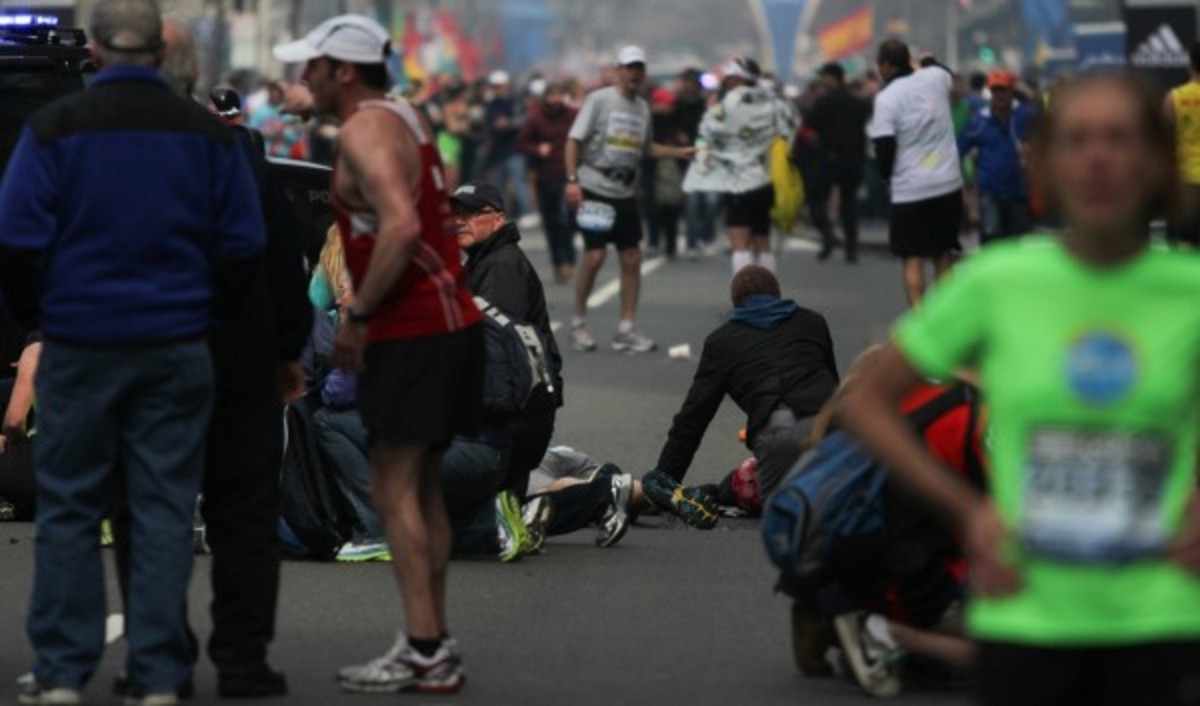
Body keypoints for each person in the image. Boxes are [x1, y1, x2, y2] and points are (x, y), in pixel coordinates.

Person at [838, 72, 1200, 706]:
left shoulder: (1189, 290)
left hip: (1159, 615)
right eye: (1077, 140)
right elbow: (866, 402)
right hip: (1025, 614)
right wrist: (967, 512)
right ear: (1047, 165)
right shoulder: (996, 282)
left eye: (1119, 139)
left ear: (1155, 163)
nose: (1098, 159)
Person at [0, 0, 266, 702]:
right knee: (163, 508)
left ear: (93, 49)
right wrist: (201, 317)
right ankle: (159, 672)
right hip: (175, 345)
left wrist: (41, 318)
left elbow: (17, 238)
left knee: (68, 508)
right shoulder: (206, 136)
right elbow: (243, 248)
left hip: (81, 342)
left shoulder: (54, 128)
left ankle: (60, 670)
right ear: (157, 51)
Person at [274, 13, 483, 694]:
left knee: (391, 488)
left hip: (411, 331)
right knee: (419, 490)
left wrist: (358, 316)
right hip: (451, 324)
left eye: (312, 65)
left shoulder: (365, 131)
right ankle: (434, 641)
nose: (303, 73)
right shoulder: (405, 116)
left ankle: (425, 646)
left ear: (342, 70)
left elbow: (398, 221)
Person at [110, 20, 312, 699]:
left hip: (140, 353)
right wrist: (288, 346)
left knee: (148, 511)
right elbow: (277, 255)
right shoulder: (237, 149)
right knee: (244, 514)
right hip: (239, 358)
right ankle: (243, 657)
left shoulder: (97, 142)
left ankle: (155, 657)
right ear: (193, 73)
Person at [643, 266, 839, 529]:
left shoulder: (722, 341)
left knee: (773, 506)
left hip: (781, 438)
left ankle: (719, 493)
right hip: (835, 429)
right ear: (778, 295)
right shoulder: (813, 322)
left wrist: (665, 485)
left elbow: (692, 420)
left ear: (735, 304)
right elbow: (834, 385)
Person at [565, 45, 694, 354]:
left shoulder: (642, 108)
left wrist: (678, 153)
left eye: (640, 68)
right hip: (595, 185)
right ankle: (579, 324)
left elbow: (646, 149)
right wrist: (572, 182)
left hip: (625, 192)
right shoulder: (599, 100)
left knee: (632, 258)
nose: (635, 73)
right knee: (595, 257)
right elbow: (574, 140)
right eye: (630, 67)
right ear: (619, 70)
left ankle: (626, 329)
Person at [868, 41, 964, 306]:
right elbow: (945, 70)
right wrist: (927, 61)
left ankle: (920, 323)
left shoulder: (887, 98)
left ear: (886, 65)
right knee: (943, 253)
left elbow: (883, 146)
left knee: (912, 257)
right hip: (947, 184)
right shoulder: (934, 78)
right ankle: (949, 316)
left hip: (910, 189)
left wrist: (887, 177)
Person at [684, 57, 798, 274]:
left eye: (728, 78)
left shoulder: (727, 105)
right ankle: (768, 293)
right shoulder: (771, 102)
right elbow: (788, 133)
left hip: (739, 179)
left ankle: (745, 294)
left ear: (736, 78)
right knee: (762, 239)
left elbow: (708, 133)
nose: (725, 82)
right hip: (767, 178)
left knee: (740, 242)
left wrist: (711, 111)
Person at [958, 70, 1034, 244]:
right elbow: (959, 149)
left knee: (1017, 241)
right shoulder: (979, 121)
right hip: (990, 191)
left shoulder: (1025, 115)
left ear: (1011, 91)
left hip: (1018, 192)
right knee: (992, 236)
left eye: (1003, 90)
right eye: (995, 91)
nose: (999, 95)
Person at [807, 62, 871, 263]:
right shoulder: (857, 102)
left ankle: (828, 235)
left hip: (827, 157)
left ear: (832, 78)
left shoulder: (824, 102)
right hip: (852, 159)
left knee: (816, 198)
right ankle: (851, 248)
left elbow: (810, 123)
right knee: (849, 203)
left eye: (824, 77)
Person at [518, 82, 578, 283]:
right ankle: (557, 262)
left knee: (566, 219)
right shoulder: (536, 118)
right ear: (545, 98)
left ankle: (569, 260)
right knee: (551, 223)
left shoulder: (572, 115)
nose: (556, 100)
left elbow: (583, 138)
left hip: (566, 175)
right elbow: (522, 143)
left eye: (559, 95)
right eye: (552, 96)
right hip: (544, 177)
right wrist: (537, 149)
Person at [1164, 41, 1200, 247]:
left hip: (1186, 181)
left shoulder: (1174, 98)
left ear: (1190, 64)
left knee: (1186, 247)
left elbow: (1163, 142)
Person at [482, 70, 531, 217]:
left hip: (513, 150)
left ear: (506, 85)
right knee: (498, 186)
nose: (497, 89)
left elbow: (524, 120)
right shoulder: (491, 105)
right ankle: (501, 214)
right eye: (495, 86)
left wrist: (508, 124)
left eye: (500, 85)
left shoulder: (515, 102)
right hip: (497, 152)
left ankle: (527, 212)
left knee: (518, 183)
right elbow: (488, 125)